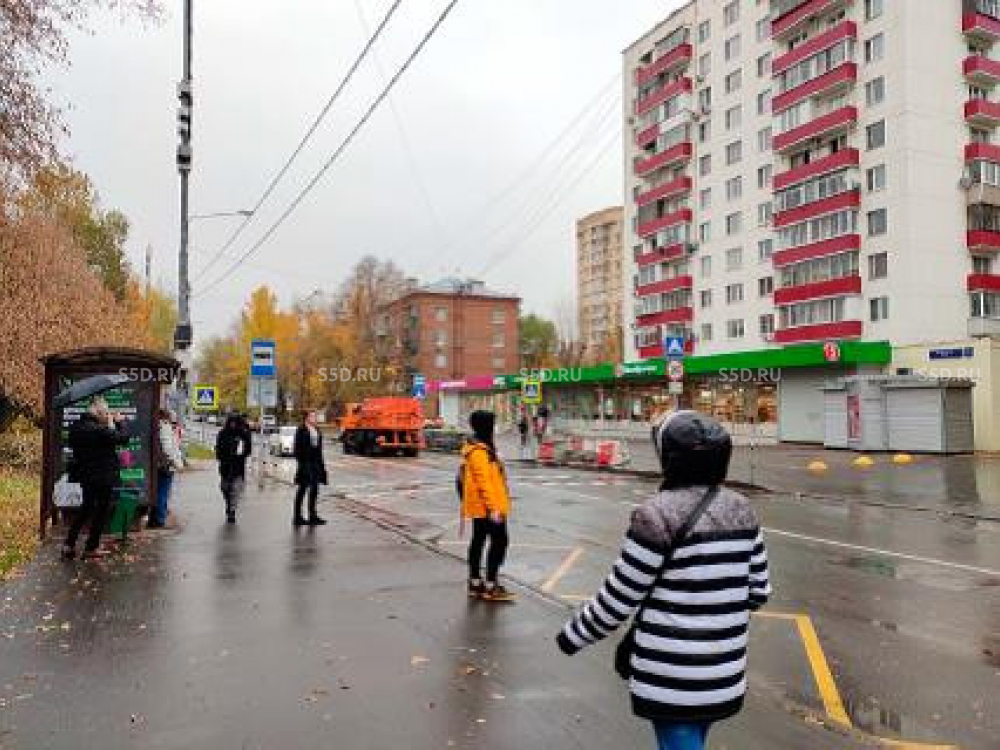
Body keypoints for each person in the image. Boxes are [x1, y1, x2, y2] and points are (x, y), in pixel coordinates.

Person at [555, 411, 771, 750]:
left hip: (673, 678)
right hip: (724, 672)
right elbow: (758, 592)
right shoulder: (743, 508)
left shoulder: (656, 515)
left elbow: (619, 597)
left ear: (668, 457)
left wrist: (572, 637)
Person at [62, 397, 129, 560]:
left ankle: (69, 544)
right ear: (98, 412)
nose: (106, 415)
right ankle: (91, 547)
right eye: (105, 412)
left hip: (85, 475)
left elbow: (103, 441)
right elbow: (122, 439)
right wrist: (118, 422)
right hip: (103, 476)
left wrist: (108, 425)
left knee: (85, 509)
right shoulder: (98, 430)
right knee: (101, 511)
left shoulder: (76, 428)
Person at [460, 410, 511, 600]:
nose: (494, 428)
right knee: (499, 542)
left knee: (479, 540)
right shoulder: (478, 451)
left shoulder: (482, 448)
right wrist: (494, 509)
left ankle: (475, 583)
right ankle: (490, 585)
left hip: (483, 506)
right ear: (485, 426)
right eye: (492, 424)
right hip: (488, 507)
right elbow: (484, 482)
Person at [150, 409, 184, 529]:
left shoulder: (155, 426)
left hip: (158, 464)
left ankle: (154, 518)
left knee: (158, 492)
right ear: (166, 417)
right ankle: (159, 519)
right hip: (165, 465)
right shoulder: (165, 428)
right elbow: (168, 448)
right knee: (163, 492)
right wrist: (177, 464)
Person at [292, 410, 327, 526]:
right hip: (305, 463)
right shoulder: (301, 429)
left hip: (315, 463)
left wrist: (321, 465)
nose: (315, 418)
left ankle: (313, 516)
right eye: (312, 416)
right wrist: (302, 463)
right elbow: (297, 449)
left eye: (315, 416)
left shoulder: (317, 430)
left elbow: (319, 449)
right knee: (302, 489)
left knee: (315, 489)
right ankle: (297, 517)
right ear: (307, 418)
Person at [215, 414, 250, 523]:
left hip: (238, 467)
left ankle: (232, 511)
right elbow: (218, 448)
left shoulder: (243, 434)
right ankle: (228, 504)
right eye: (231, 422)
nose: (233, 425)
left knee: (235, 490)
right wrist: (220, 457)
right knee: (224, 488)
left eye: (235, 423)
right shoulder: (222, 433)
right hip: (225, 466)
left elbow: (248, 450)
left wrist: (242, 452)